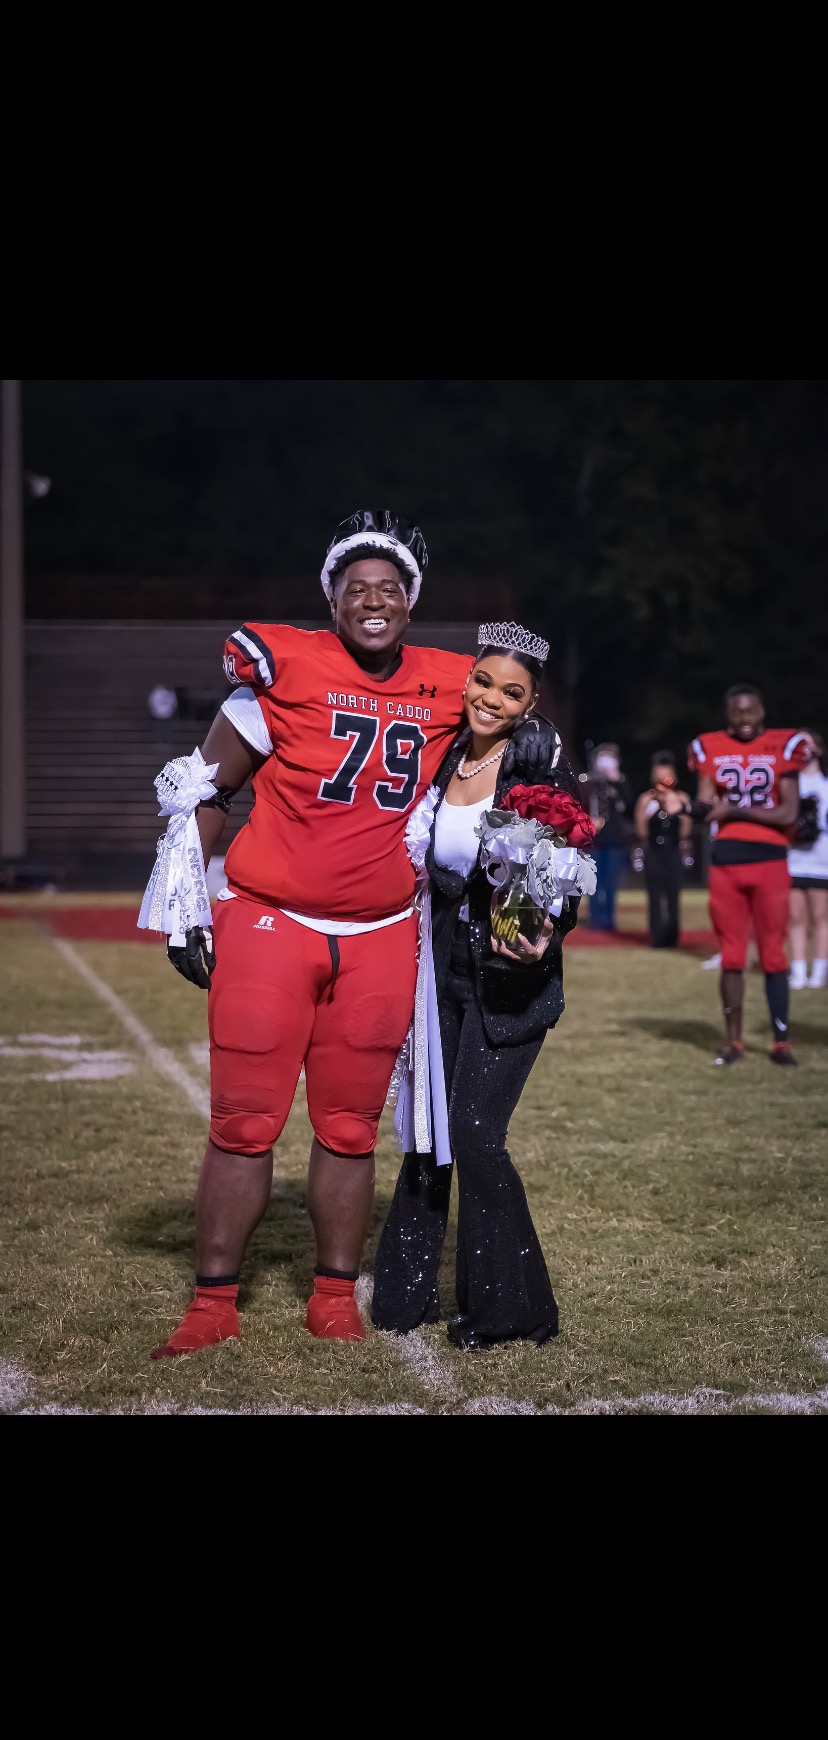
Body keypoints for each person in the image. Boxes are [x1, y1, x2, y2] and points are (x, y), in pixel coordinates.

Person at [137, 510, 563, 1356]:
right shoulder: (282, 664)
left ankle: (333, 1293)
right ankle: (213, 1300)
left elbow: (511, 703)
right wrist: (185, 903)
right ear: (330, 598)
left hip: (381, 933)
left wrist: (533, 740)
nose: (374, 601)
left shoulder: (452, 679)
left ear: (411, 600)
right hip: (272, 918)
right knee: (244, 1121)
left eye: (390, 589)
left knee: (349, 1127)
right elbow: (201, 791)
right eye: (356, 588)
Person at [371, 622, 595, 1350]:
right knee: (429, 1129)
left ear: (530, 706)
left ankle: (516, 1310)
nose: (490, 699)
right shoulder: (441, 763)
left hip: (508, 981)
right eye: (484, 682)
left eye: (512, 692)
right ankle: (405, 1298)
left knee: (474, 1134)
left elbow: (558, 877)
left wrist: (545, 931)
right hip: (440, 974)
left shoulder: (536, 770)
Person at [686, 685, 809, 1067]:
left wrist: (732, 810)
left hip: (771, 860)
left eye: (750, 711)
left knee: (773, 953)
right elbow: (707, 808)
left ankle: (780, 1042)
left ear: (762, 710)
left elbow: (787, 814)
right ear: (727, 713)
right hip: (726, 861)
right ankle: (734, 1043)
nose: (744, 719)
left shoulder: (785, 744)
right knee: (733, 955)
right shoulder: (708, 747)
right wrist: (689, 806)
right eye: (737, 713)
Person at [632, 750, 694, 948]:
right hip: (654, 850)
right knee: (655, 895)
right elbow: (640, 829)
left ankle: (673, 936)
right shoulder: (646, 799)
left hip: (673, 849)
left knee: (673, 895)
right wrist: (652, 807)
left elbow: (686, 828)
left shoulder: (681, 797)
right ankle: (657, 936)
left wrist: (675, 805)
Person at [787, 729, 828, 989]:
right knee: (794, 916)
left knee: (820, 916)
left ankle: (819, 971)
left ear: (819, 750)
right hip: (793, 857)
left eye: (810, 745)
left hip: (821, 858)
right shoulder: (790, 785)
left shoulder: (825, 785)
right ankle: (798, 970)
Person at [584, 742, 634, 931]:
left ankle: (609, 918)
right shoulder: (590, 783)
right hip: (594, 840)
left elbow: (629, 806)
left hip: (616, 840)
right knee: (593, 882)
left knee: (611, 882)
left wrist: (616, 779)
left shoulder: (620, 782)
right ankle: (596, 919)